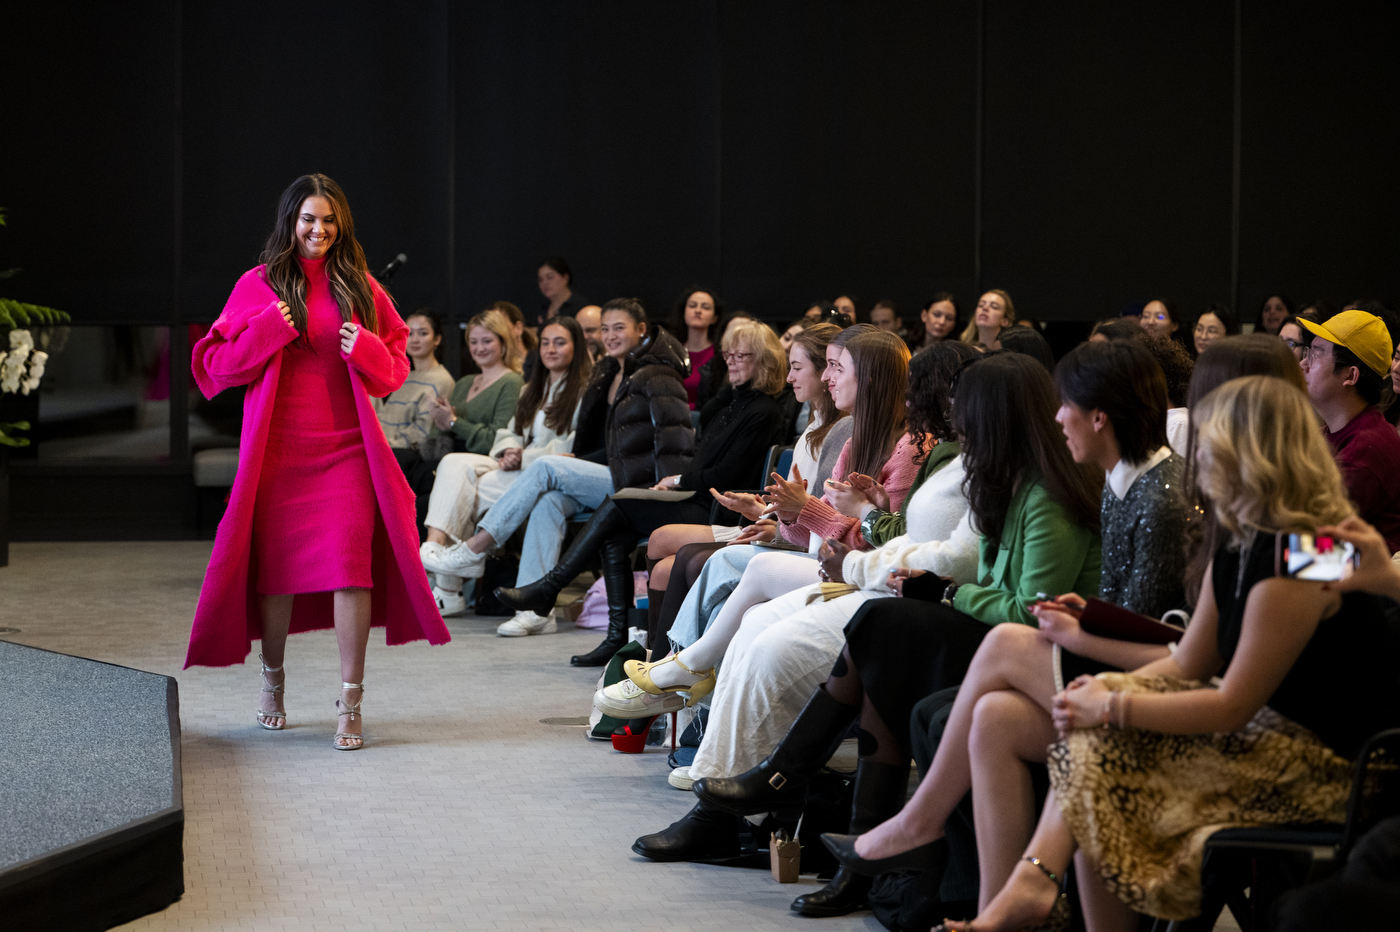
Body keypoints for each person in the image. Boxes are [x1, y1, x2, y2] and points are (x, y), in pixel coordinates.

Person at [924, 375, 1400, 932]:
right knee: (1087, 745)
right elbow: (1188, 662)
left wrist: (1112, 706)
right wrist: (1104, 689)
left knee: (1102, 754)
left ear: (1245, 455)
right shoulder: (1252, 540)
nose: (1197, 461)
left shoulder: (1294, 555)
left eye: (1208, 446)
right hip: (1274, 733)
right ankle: (1031, 887)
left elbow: (1231, 704)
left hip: (1327, 763)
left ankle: (1032, 886)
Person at [647, 352, 1102, 872]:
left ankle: (770, 787)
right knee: (763, 620)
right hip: (908, 586)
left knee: (814, 640)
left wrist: (884, 558)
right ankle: (751, 796)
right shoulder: (974, 465)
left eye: (836, 365)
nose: (952, 416)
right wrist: (859, 534)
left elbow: (976, 575)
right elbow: (927, 542)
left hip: (970, 618)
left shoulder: (1010, 479)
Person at [185, 173, 449, 750]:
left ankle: (350, 700)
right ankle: (272, 682)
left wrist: (371, 349)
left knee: (352, 568)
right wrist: (268, 330)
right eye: (309, 219)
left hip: (348, 449)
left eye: (330, 220)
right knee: (276, 575)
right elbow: (215, 367)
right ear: (290, 222)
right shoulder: (259, 284)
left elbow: (396, 366)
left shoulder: (359, 286)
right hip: (278, 451)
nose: (319, 230)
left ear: (341, 225)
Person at [495, 319, 788, 664]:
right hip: (698, 497)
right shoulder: (733, 403)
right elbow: (709, 413)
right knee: (614, 533)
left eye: (742, 356)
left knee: (619, 505)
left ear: (765, 360)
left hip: (716, 506)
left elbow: (727, 474)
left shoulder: (764, 411)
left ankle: (551, 588)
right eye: (728, 355)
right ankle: (615, 638)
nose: (731, 362)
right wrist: (734, 383)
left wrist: (677, 480)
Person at [420, 299, 694, 643]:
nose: (610, 335)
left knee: (547, 466)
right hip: (610, 473)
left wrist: (670, 485)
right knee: (547, 499)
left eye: (618, 328)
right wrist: (571, 457)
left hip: (643, 486)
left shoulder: (657, 374)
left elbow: (675, 436)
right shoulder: (612, 372)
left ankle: (475, 549)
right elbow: (609, 445)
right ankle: (534, 612)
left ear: (641, 330)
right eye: (605, 328)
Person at [639, 322, 844, 637]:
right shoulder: (811, 426)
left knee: (679, 560)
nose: (790, 378)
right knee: (657, 541)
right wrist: (762, 510)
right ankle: (653, 655)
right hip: (777, 529)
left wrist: (771, 520)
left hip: (793, 541)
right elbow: (795, 508)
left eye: (798, 367)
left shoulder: (787, 419)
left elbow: (816, 519)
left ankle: (666, 662)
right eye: (727, 355)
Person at [419, 317, 593, 621]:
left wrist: (523, 455)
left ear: (576, 347)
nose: (551, 349)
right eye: (546, 342)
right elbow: (510, 432)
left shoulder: (584, 391)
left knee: (465, 491)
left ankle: (447, 588)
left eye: (560, 342)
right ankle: (433, 550)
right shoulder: (532, 388)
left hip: (548, 473)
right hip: (515, 464)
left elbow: (575, 446)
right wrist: (508, 450)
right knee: (453, 463)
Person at [1298, 309, 1400, 552]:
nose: (1303, 363)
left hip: (1363, 576)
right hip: (1336, 559)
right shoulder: (1336, 431)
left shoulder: (1367, 449)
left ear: (1350, 375)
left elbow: (1308, 531)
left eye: (1315, 354)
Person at [427, 309, 524, 462]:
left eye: (487, 341)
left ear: (503, 343)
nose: (480, 348)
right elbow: (441, 437)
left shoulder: (512, 382)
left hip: (485, 463)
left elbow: (496, 440)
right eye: (474, 342)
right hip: (450, 460)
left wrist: (453, 422)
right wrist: (440, 420)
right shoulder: (464, 383)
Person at [372, 310, 455, 471]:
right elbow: (387, 417)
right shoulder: (404, 375)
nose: (415, 340)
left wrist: (385, 447)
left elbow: (423, 430)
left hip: (401, 458)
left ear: (436, 339)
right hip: (382, 450)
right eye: (409, 334)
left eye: (423, 333)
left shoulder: (441, 380)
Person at [670, 288, 724, 410]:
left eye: (705, 307)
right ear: (683, 312)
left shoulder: (720, 355)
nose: (698, 311)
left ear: (714, 317)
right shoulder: (670, 352)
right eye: (692, 306)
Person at [531, 256, 587, 331]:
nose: (545, 283)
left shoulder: (580, 307)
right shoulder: (542, 309)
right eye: (541, 280)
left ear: (565, 278)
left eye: (550, 277)